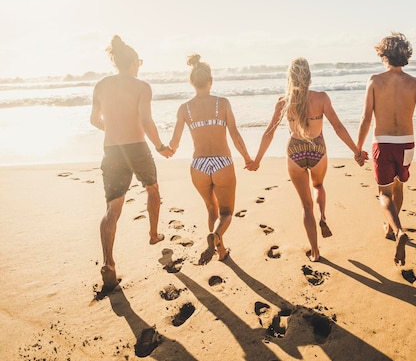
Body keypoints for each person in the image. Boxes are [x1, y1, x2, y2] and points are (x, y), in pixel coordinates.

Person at [249, 57, 367, 262]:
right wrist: (356, 151)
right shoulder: (321, 98)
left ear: (290, 78)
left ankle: (315, 251)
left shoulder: (283, 102)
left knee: (305, 206)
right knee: (319, 185)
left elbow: (269, 133)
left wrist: (257, 160)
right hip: (317, 149)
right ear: (309, 77)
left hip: (294, 151)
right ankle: (322, 216)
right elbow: (339, 128)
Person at [356, 32, 416, 266]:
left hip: (383, 142)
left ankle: (398, 231)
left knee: (384, 193)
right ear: (405, 55)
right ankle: (390, 228)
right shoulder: (415, 83)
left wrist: (358, 148)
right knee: (398, 186)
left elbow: (366, 118)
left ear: (383, 54)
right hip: (406, 144)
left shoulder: (375, 81)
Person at [91, 35, 173, 292]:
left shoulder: (101, 85)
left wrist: (112, 128)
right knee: (153, 189)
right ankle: (153, 234)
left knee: (112, 209)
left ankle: (108, 261)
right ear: (134, 63)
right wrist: (161, 146)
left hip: (112, 151)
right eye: (139, 62)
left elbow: (94, 119)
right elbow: (146, 122)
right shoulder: (141, 87)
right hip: (137, 148)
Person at [168, 54, 255, 264]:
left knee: (211, 209)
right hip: (222, 163)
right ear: (211, 81)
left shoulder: (184, 109)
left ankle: (221, 250)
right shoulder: (222, 103)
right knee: (226, 213)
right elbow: (234, 135)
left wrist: (165, 150)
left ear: (191, 82)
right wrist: (247, 158)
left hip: (198, 165)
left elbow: (174, 143)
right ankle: (216, 237)